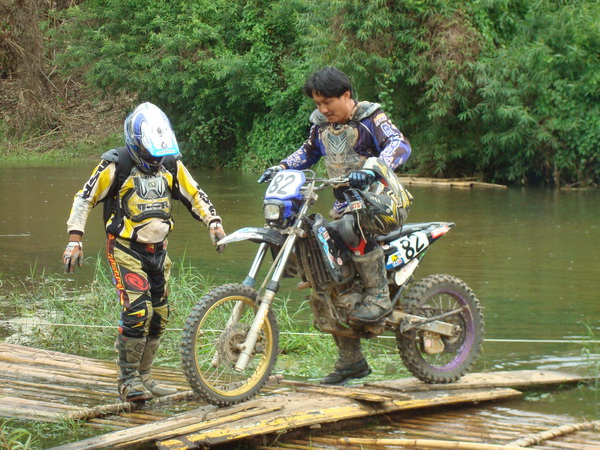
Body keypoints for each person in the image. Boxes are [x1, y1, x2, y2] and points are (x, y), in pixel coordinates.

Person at [63, 102, 227, 402]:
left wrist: (213, 222)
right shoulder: (116, 164)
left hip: (159, 251)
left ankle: (145, 377)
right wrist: (75, 239)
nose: (154, 159)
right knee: (138, 311)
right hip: (126, 249)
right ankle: (128, 380)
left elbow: (194, 194)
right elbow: (84, 198)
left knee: (160, 315)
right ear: (136, 143)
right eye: (149, 153)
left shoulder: (171, 164)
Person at [260, 67, 412, 385]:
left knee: (350, 225)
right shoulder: (321, 127)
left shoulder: (372, 118)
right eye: (318, 104)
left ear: (346, 95)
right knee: (324, 269)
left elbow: (399, 144)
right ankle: (351, 361)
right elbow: (307, 152)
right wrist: (281, 166)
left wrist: (375, 167)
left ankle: (379, 296)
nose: (323, 109)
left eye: (327, 102)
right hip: (345, 207)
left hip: (382, 203)